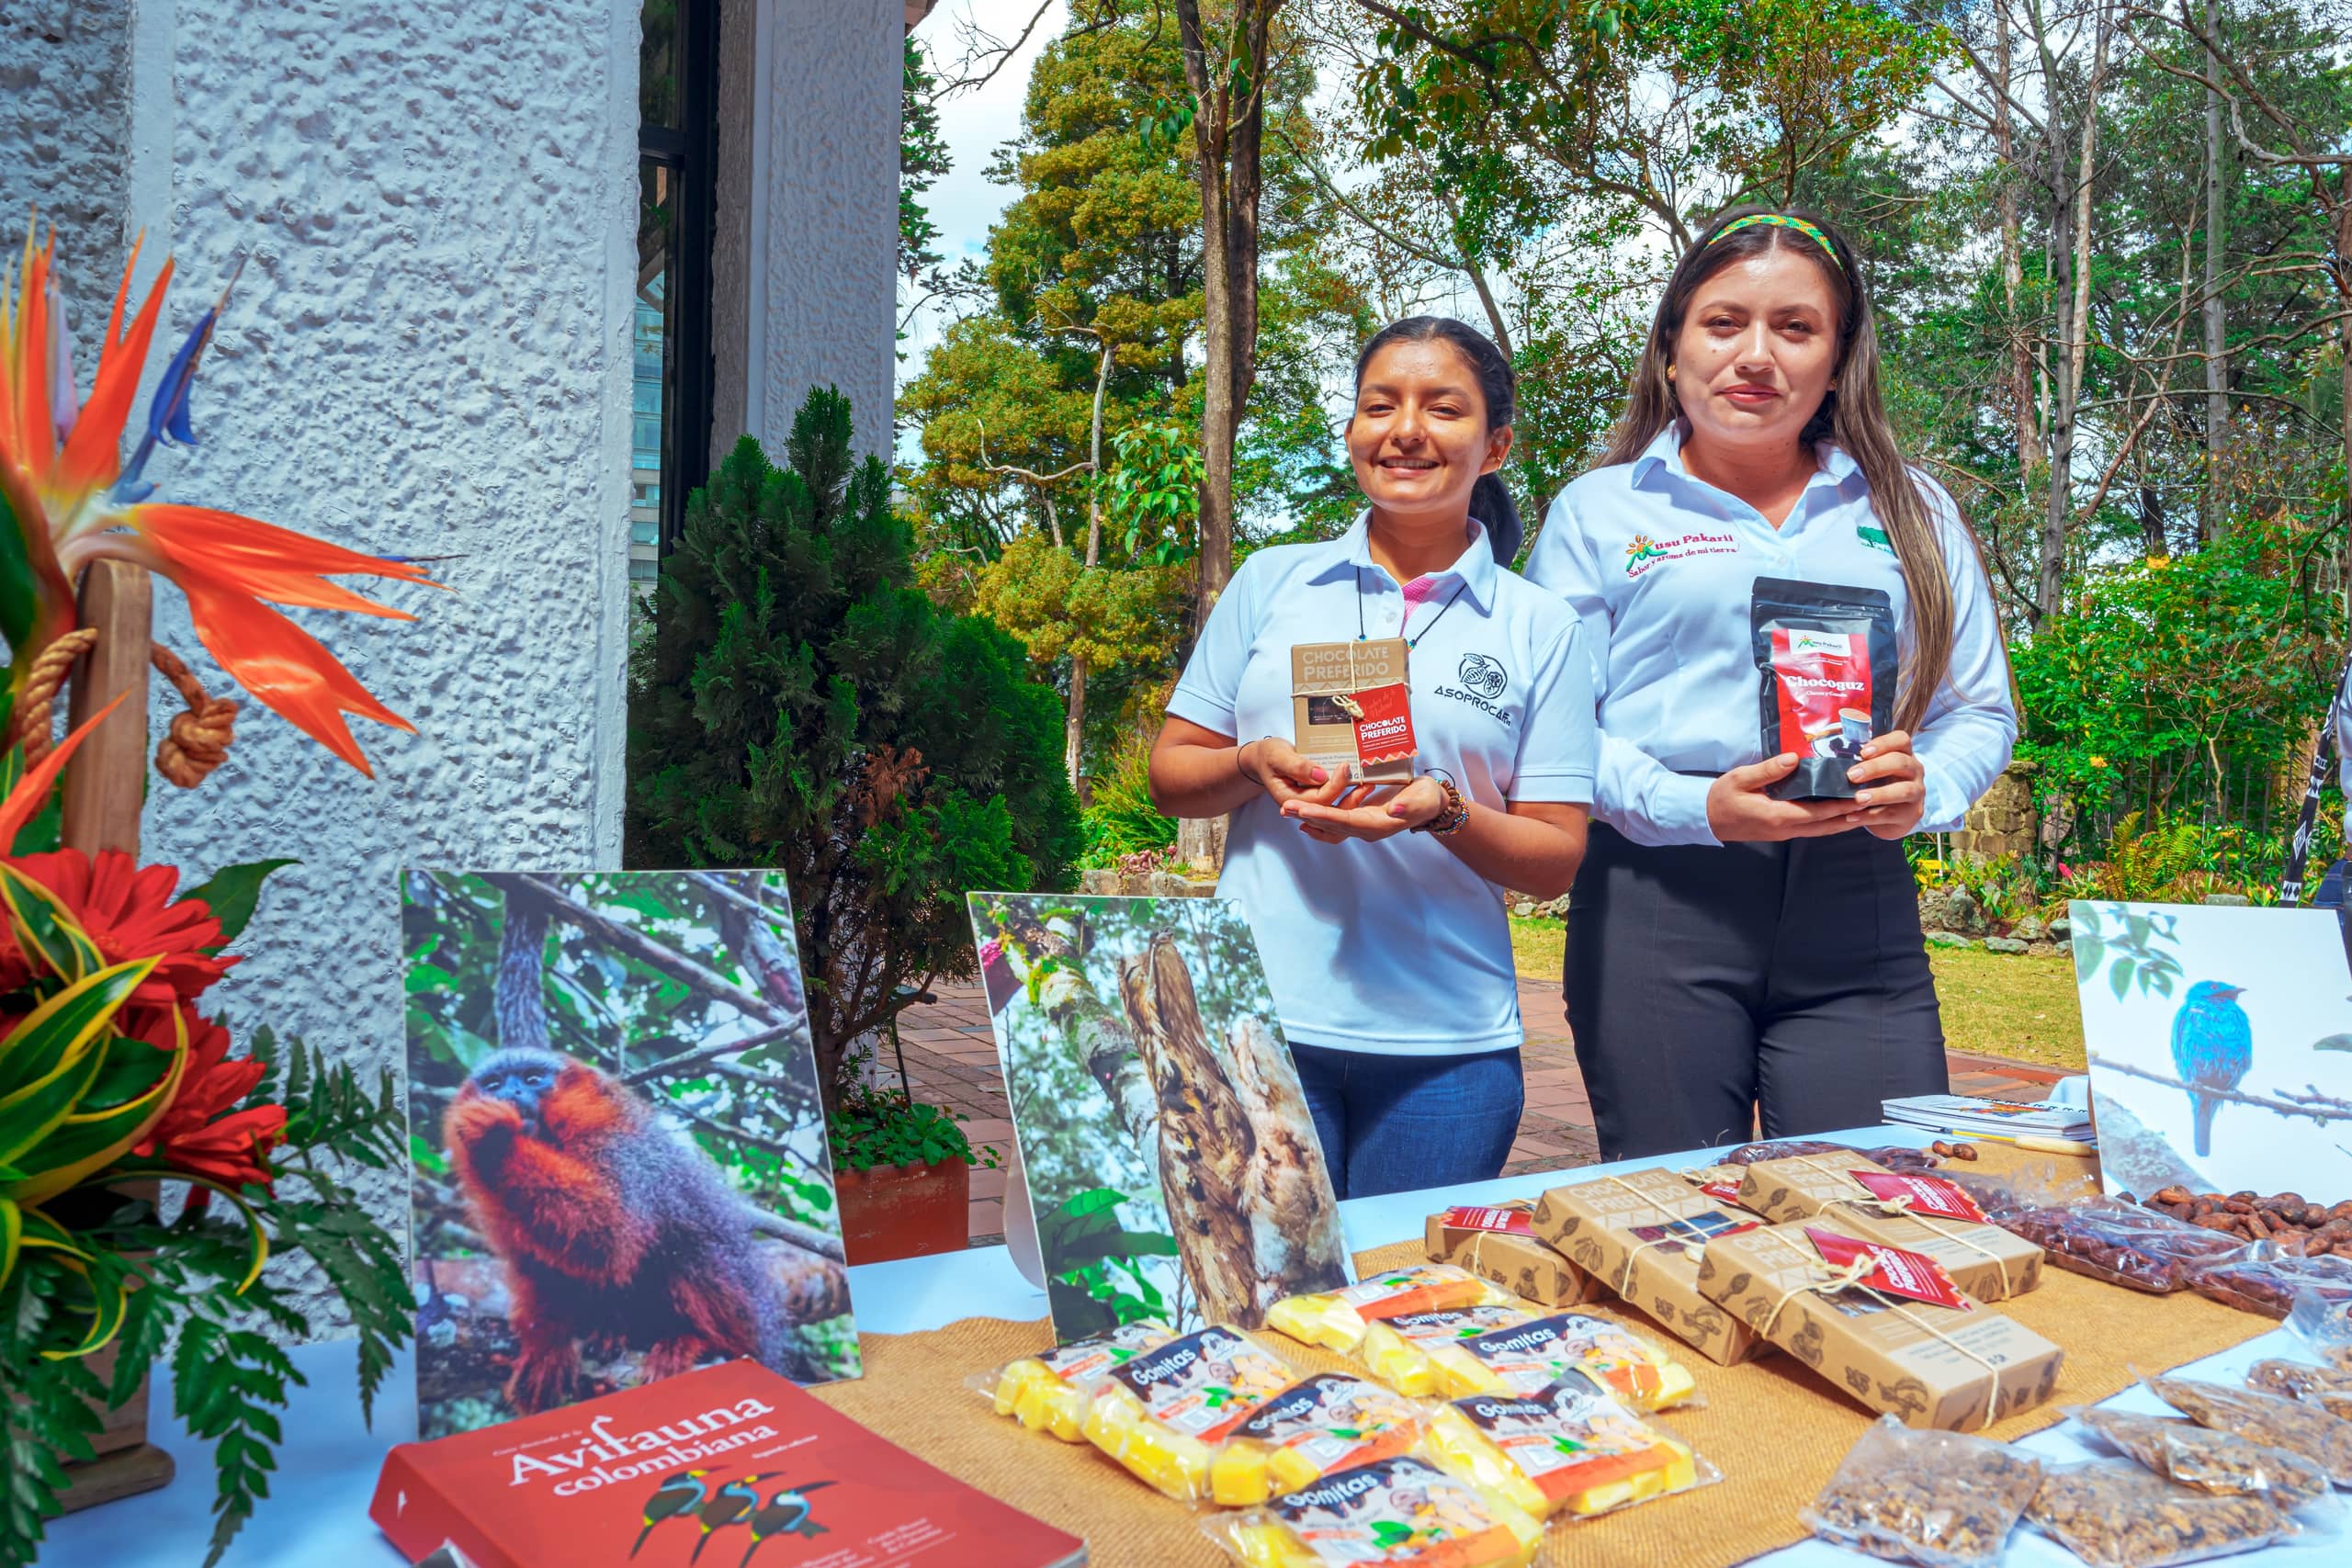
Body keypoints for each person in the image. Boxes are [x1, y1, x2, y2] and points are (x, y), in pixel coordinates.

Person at [1523, 208, 2017, 1159]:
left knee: (1884, 1206)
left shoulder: (1911, 510)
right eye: (1722, 324)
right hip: (1656, 900)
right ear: (1671, 350)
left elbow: (1976, 709)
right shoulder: (1599, 510)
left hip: (1855, 903)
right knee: (1680, 1213)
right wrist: (1696, 804)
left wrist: (1929, 789)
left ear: (1837, 360)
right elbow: (1557, 730)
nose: (1756, 355)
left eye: (1794, 328)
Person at [1148, 317, 1596, 1198]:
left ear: (1496, 444)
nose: (1406, 430)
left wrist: (1446, 810)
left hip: (1447, 1047)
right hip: (1255, 1022)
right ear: (1353, 431)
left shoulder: (1540, 625)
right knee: (1261, 1302)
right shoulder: (1273, 582)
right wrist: (1251, 763)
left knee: (1402, 1305)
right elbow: (1171, 774)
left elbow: (1555, 858)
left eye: (1444, 408)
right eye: (1379, 405)